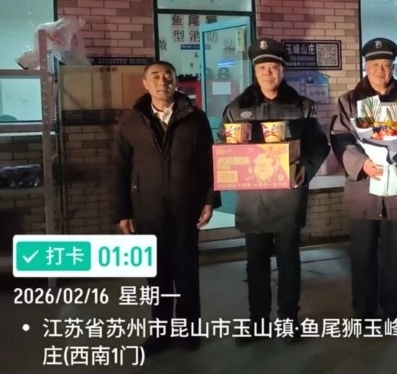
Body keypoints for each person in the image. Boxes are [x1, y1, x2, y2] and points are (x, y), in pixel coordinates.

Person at [222, 38, 330, 344]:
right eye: (262, 68)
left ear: (282, 70)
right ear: (254, 71)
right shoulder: (238, 108)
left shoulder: (301, 106)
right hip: (252, 200)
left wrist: (305, 168)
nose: (268, 72)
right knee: (255, 264)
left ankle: (288, 320)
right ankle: (258, 321)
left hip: (287, 198)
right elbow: (224, 145)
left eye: (273, 67)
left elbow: (318, 144)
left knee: (288, 262)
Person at [113, 61, 220, 354]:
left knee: (186, 272)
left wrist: (210, 200)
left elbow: (208, 163)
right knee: (156, 274)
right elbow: (119, 168)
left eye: (168, 76)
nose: (163, 81)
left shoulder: (195, 118)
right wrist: (122, 211)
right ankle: (161, 333)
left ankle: (189, 331)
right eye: (156, 76)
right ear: (145, 84)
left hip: (186, 207)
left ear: (175, 82)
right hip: (147, 210)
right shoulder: (131, 121)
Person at [330, 37, 397, 321]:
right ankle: (364, 311)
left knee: (395, 254)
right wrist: (361, 163)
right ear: (366, 67)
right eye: (374, 64)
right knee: (362, 255)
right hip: (363, 188)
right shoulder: (349, 101)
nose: (380, 70)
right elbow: (340, 138)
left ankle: (394, 308)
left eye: (385, 64)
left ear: (392, 67)